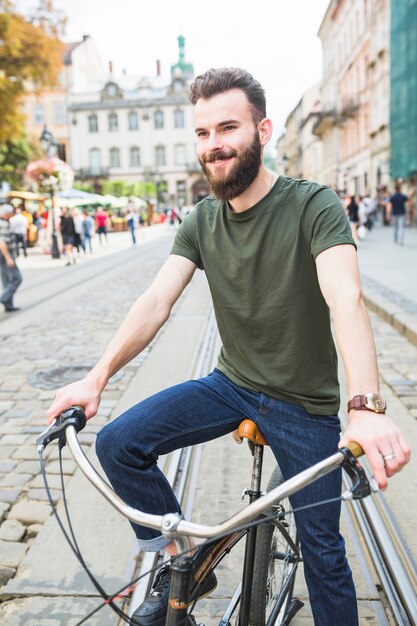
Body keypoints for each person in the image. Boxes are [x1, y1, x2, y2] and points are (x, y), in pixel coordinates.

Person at [47, 68, 410, 626]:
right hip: (231, 385)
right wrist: (96, 378)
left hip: (304, 407)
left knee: (326, 557)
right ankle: (181, 563)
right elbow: (155, 302)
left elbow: (347, 299)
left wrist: (363, 406)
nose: (213, 146)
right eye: (202, 134)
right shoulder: (200, 218)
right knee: (119, 443)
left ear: (262, 131)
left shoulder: (313, 205)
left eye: (227, 128)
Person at [0, 204, 23, 312]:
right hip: (5, 254)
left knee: (6, 280)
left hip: (3, 255)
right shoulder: (4, 224)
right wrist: (8, 257)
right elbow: (2, 242)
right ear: (6, 213)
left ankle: (8, 305)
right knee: (16, 278)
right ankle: (4, 298)